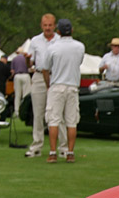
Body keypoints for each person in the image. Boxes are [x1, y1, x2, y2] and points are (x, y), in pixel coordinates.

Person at [43, 19, 85, 163]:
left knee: (53, 120)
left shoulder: (52, 47)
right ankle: (70, 153)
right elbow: (79, 62)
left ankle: (53, 152)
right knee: (71, 122)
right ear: (71, 30)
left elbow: (46, 68)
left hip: (57, 85)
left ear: (58, 32)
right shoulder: (80, 47)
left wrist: (48, 84)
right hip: (73, 86)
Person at [25, 13, 59, 158]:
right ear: (41, 26)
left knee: (58, 113)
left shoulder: (60, 40)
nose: (47, 28)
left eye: (50, 25)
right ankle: (36, 145)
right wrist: (27, 61)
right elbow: (30, 63)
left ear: (54, 26)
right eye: (45, 25)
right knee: (38, 113)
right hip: (39, 76)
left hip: (56, 76)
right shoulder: (35, 41)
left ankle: (63, 148)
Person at [10, 50, 31, 118]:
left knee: (17, 95)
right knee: (25, 94)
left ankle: (17, 112)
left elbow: (12, 71)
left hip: (17, 76)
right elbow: (30, 68)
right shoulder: (26, 58)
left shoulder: (14, 59)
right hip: (25, 75)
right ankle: (24, 111)